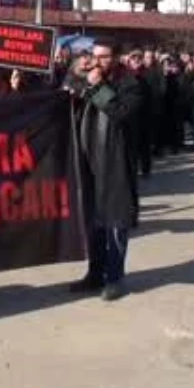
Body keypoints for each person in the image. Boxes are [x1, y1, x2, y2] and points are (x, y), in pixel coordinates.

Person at [68, 39, 144, 302]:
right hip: (88, 159)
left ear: (116, 57)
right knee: (93, 221)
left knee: (115, 222)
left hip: (115, 161)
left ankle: (114, 278)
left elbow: (120, 112)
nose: (96, 61)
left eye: (103, 57)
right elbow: (68, 95)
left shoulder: (130, 84)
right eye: (93, 56)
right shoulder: (87, 78)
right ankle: (94, 272)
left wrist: (98, 86)